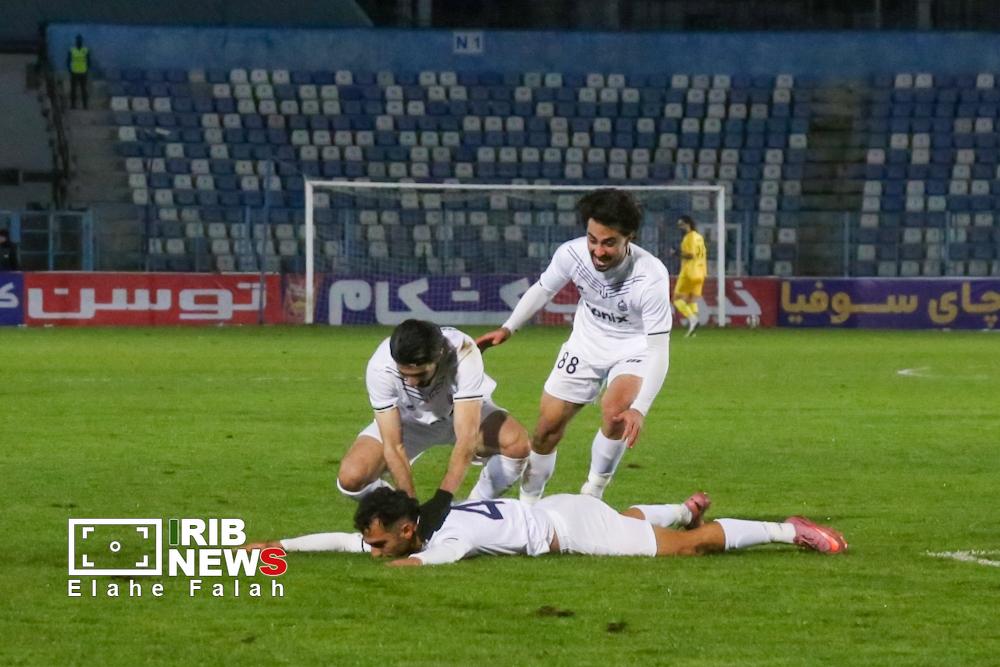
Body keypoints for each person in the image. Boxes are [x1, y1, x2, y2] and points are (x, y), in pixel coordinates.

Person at [476, 188, 671, 503]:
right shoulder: (572, 253)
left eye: (609, 243)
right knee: (546, 430)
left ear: (629, 237)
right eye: (593, 240)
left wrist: (640, 408)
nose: (598, 251)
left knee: (616, 412)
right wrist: (509, 327)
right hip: (584, 344)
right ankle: (529, 503)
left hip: (633, 348)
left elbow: (659, 349)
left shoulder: (650, 278)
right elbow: (543, 289)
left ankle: (593, 491)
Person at [244, 488, 848, 564]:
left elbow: (426, 564)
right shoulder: (424, 516)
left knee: (683, 551)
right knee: (630, 521)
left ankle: (786, 529)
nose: (371, 550)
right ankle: (681, 508)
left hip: (571, 528)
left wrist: (395, 569)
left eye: (379, 544)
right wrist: (280, 546)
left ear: (405, 532)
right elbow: (343, 540)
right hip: (557, 508)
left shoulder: (448, 536)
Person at [337, 319, 530, 539]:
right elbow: (394, 446)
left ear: (439, 356)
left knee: (517, 445)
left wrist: (442, 499)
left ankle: (471, 510)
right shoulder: (381, 367)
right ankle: (399, 512)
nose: (411, 382)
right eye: (404, 375)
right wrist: (410, 507)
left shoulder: (464, 351)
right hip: (408, 422)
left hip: (459, 414)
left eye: (419, 375)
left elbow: (466, 438)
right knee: (351, 479)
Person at [672, 215, 707, 338]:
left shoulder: (689, 237)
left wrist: (676, 253)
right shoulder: (699, 237)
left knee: (676, 299)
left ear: (687, 224)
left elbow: (690, 255)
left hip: (689, 272)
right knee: (691, 300)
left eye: (681, 224)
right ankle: (693, 329)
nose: (680, 227)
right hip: (701, 272)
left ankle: (692, 319)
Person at [67, 34, 90, 110]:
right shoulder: (72, 50)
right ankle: (73, 105)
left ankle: (85, 105)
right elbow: (68, 61)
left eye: (80, 40)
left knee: (84, 90)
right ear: (76, 41)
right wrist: (70, 70)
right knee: (73, 90)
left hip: (83, 73)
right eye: (77, 40)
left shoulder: (85, 50)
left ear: (82, 41)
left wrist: (86, 70)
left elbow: (89, 61)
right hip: (74, 72)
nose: (79, 41)